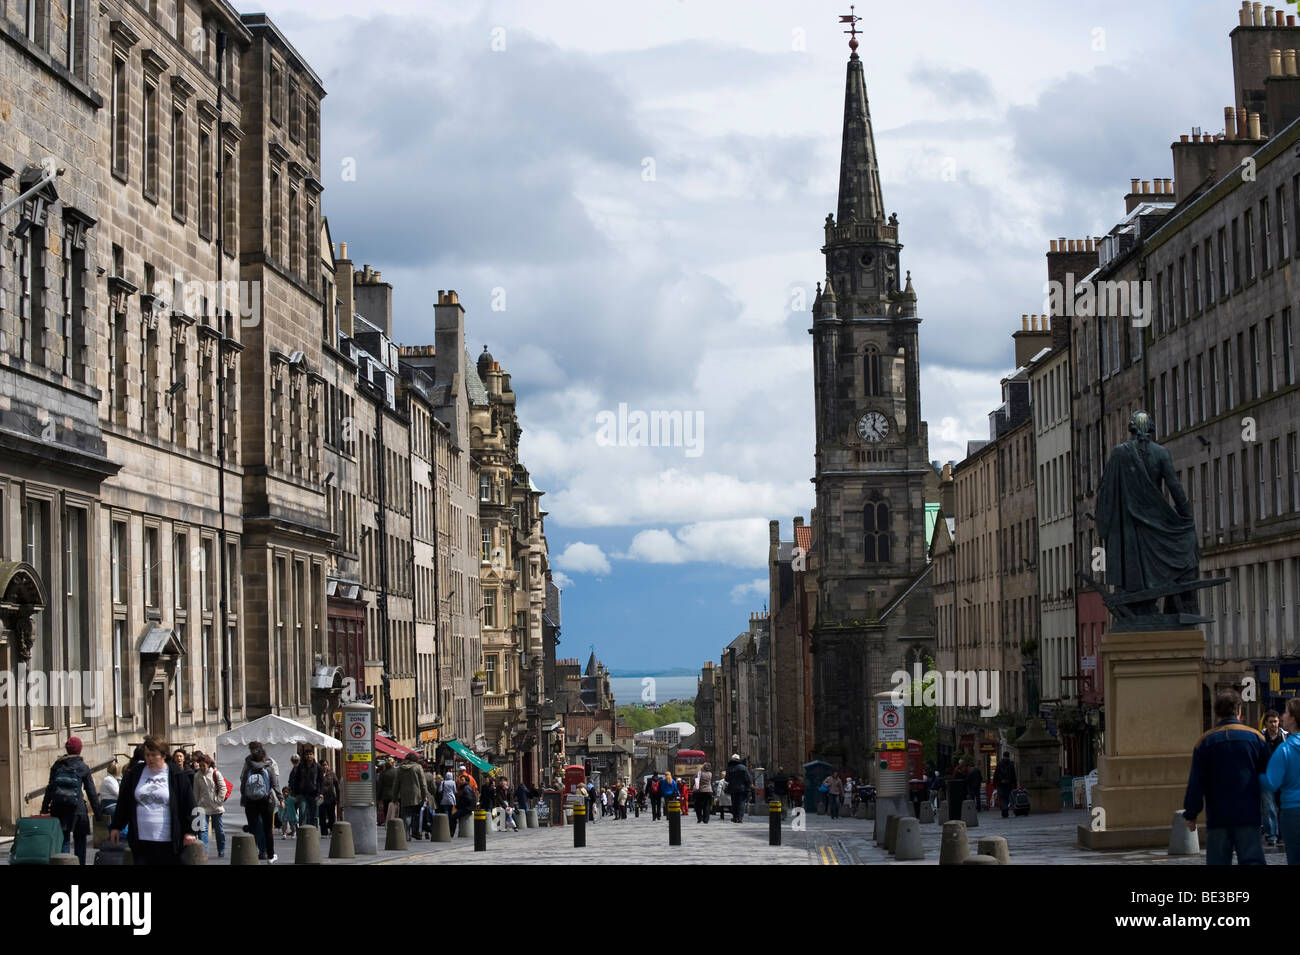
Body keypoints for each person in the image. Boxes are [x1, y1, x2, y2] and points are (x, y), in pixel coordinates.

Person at [1183, 688, 1270, 865]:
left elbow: (1196, 782)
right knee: (1252, 860)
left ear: (1216, 713)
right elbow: (1268, 777)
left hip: (1218, 817)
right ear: (1239, 711)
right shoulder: (1256, 739)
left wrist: (1191, 813)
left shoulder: (1205, 742)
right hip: (1248, 814)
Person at [110, 735, 198, 865]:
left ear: (163, 755)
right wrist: (116, 826)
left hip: (168, 840)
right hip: (141, 840)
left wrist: (192, 831)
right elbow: (123, 802)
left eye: (153, 755)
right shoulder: (135, 774)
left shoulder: (177, 775)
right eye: (147, 755)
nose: (149, 758)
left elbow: (191, 805)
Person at [41, 736, 101, 865]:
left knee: (64, 841)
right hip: (78, 809)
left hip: (59, 809)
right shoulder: (82, 767)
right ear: (80, 750)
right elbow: (91, 791)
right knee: (80, 842)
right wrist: (98, 813)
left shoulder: (57, 765)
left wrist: (44, 808)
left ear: (67, 750)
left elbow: (50, 788)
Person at [1262, 697, 1300, 865]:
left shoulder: (1285, 749)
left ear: (1292, 718)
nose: (1283, 716)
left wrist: (1255, 777)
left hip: (1293, 810)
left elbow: (1271, 782)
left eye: (1285, 712)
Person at [240, 742, 282, 862]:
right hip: (266, 801)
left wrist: (244, 798)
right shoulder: (268, 766)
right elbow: (275, 784)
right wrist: (281, 799)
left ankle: (253, 853)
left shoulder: (248, 765)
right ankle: (270, 855)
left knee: (253, 828)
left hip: (250, 801)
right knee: (268, 829)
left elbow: (243, 783)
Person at [192, 752, 227, 858]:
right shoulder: (197, 776)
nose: (202, 767)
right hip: (202, 807)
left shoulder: (216, 774)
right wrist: (196, 805)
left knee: (219, 830)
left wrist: (218, 800)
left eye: (204, 765)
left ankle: (221, 849)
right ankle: (204, 852)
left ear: (208, 764)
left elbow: (223, 788)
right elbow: (195, 792)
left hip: (216, 807)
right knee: (203, 831)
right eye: (200, 765)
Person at [1261, 710, 1287, 847]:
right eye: (1271, 722)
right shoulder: (1260, 737)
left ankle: (1282, 834)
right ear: (1266, 723)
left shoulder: (1285, 737)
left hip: (1282, 778)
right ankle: (1272, 835)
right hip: (1267, 777)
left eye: (1275, 721)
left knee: (1282, 806)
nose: (1273, 724)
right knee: (1269, 807)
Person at [394, 753, 429, 840]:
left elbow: (396, 784)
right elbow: (423, 783)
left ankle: (406, 835)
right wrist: (425, 795)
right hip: (417, 795)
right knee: (416, 814)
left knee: (406, 815)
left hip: (404, 795)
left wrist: (394, 797)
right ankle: (415, 832)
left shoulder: (400, 769)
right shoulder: (418, 767)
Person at [289, 746, 323, 830]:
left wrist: (321, 793)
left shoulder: (317, 766)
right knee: (302, 812)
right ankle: (302, 831)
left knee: (313, 814)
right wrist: (295, 793)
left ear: (313, 755)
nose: (309, 756)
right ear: (304, 756)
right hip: (302, 794)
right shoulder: (300, 766)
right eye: (307, 754)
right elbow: (296, 780)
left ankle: (313, 832)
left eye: (310, 754)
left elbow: (321, 781)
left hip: (314, 793)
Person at [725, 755, 752, 824]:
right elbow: (748, 778)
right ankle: (740, 818)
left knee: (734, 803)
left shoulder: (729, 768)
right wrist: (748, 787)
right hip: (742, 789)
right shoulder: (743, 767)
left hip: (733, 789)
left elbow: (726, 779)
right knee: (741, 803)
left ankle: (735, 817)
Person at [993, 752, 1018, 819]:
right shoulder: (1011, 764)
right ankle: (1005, 810)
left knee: (1002, 797)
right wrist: (1015, 785)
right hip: (1008, 784)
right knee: (1006, 797)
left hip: (1000, 784)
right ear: (1008, 756)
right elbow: (1013, 775)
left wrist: (994, 784)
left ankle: (1005, 809)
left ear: (1003, 756)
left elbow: (996, 774)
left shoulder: (999, 764)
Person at [319, 762, 339, 836]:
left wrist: (338, 797)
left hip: (330, 797)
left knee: (331, 815)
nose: (324, 766)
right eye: (323, 765)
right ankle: (324, 832)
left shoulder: (332, 774)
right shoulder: (318, 774)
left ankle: (331, 829)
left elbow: (337, 785)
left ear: (328, 766)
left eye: (326, 765)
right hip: (321, 798)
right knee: (322, 815)